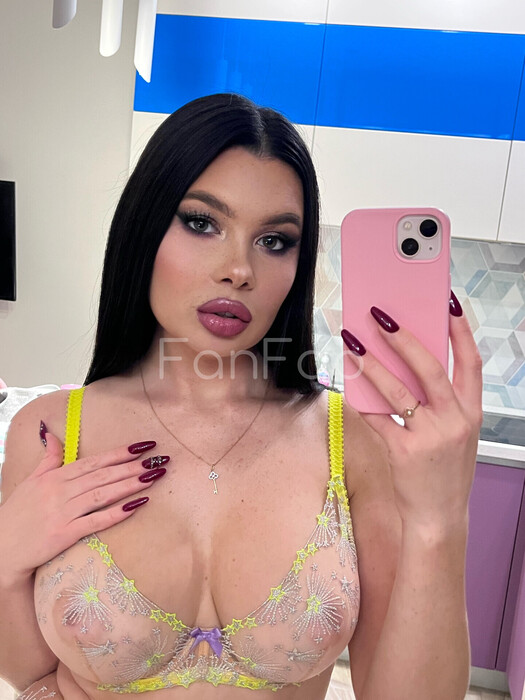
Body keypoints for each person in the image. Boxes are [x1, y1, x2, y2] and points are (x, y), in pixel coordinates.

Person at [0, 93, 482, 699]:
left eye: (275, 240)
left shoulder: (351, 439)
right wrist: (4, 552)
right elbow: (32, 677)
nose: (239, 269)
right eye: (202, 223)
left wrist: (440, 519)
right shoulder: (49, 433)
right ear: (144, 227)